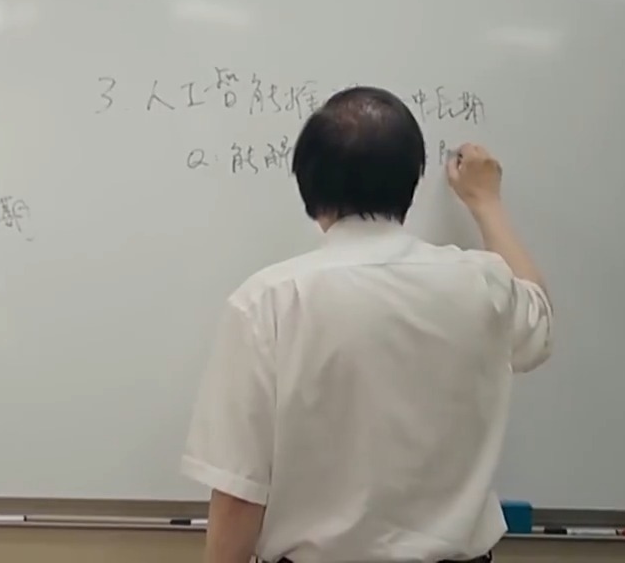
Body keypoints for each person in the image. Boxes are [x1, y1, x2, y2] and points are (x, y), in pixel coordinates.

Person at [181, 86, 553, 563]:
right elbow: (538, 317)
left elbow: (239, 493)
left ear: (309, 187)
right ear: (411, 181)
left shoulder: (268, 300)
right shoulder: (481, 282)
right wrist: (486, 202)